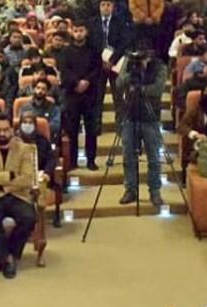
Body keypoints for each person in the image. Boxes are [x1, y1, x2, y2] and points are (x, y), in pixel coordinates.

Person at [0, 115, 44, 279]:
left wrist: (1, 183)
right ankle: (7, 258)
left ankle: (4, 257)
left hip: (18, 194)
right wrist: (10, 176)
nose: (2, 134)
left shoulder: (25, 149)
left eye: (6, 130)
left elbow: (27, 178)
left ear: (12, 130)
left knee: (29, 217)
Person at [113, 48, 169, 205]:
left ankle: (155, 191)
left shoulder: (159, 66)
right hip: (129, 114)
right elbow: (118, 83)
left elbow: (158, 89)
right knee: (128, 156)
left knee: (154, 157)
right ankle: (130, 190)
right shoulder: (129, 63)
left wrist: (141, 87)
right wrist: (131, 74)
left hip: (150, 116)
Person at [58, 21, 105, 169]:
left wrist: (86, 81)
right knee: (72, 129)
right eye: (76, 30)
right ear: (72, 32)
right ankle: (73, 161)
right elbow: (64, 70)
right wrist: (76, 82)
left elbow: (98, 69)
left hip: (90, 93)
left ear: (86, 32)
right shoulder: (66, 51)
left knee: (91, 129)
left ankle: (91, 160)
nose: (78, 33)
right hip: (72, 93)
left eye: (81, 30)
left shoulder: (94, 50)